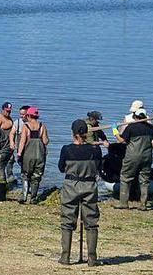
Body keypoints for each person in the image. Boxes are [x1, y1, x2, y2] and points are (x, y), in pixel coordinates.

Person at [58, 120, 103, 266]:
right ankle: (92, 258)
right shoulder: (95, 150)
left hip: (71, 186)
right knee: (91, 222)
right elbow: (99, 167)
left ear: (73, 133)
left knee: (67, 221)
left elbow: (60, 167)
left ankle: (65, 257)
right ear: (85, 133)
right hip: (89, 186)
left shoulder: (66, 149)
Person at [115, 107, 153, 210]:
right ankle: (143, 205)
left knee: (125, 178)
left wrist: (115, 130)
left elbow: (121, 140)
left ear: (135, 116)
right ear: (145, 117)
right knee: (144, 181)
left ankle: (123, 203)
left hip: (132, 157)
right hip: (146, 157)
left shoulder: (131, 127)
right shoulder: (151, 128)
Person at [17, 106, 49, 204]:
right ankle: (33, 198)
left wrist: (19, 154)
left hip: (28, 155)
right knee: (37, 176)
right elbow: (45, 141)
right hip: (40, 155)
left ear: (29, 115)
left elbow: (22, 141)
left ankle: (24, 196)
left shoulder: (26, 126)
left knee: (25, 175)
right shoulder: (42, 126)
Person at [9, 106, 30, 184]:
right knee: (22, 165)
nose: (21, 116)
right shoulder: (17, 122)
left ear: (28, 114)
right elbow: (12, 133)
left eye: (23, 114)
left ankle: (27, 183)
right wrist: (12, 142)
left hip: (30, 149)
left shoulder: (33, 123)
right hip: (20, 149)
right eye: (20, 114)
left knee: (28, 167)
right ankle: (24, 183)